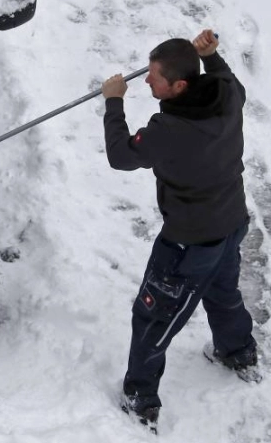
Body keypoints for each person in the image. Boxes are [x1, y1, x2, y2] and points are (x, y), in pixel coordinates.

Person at [100, 29, 258, 432]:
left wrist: (114, 101)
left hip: (189, 243)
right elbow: (225, 77)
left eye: (154, 77)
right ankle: (237, 352)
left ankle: (141, 400)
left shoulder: (170, 131)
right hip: (231, 223)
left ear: (180, 85)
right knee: (223, 293)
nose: (146, 82)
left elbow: (121, 156)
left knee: (153, 318)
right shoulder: (227, 92)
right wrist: (212, 56)